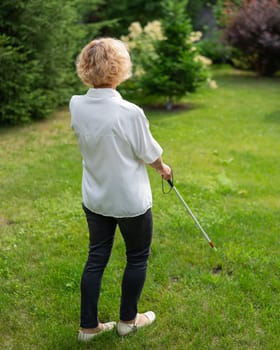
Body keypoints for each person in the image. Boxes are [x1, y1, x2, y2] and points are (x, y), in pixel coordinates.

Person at [69, 37, 172, 342]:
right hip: (129, 202)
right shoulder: (130, 112)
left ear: (85, 67)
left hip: (96, 196)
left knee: (96, 256)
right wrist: (163, 168)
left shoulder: (76, 104)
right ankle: (128, 320)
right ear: (120, 68)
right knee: (137, 256)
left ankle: (88, 328)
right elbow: (149, 153)